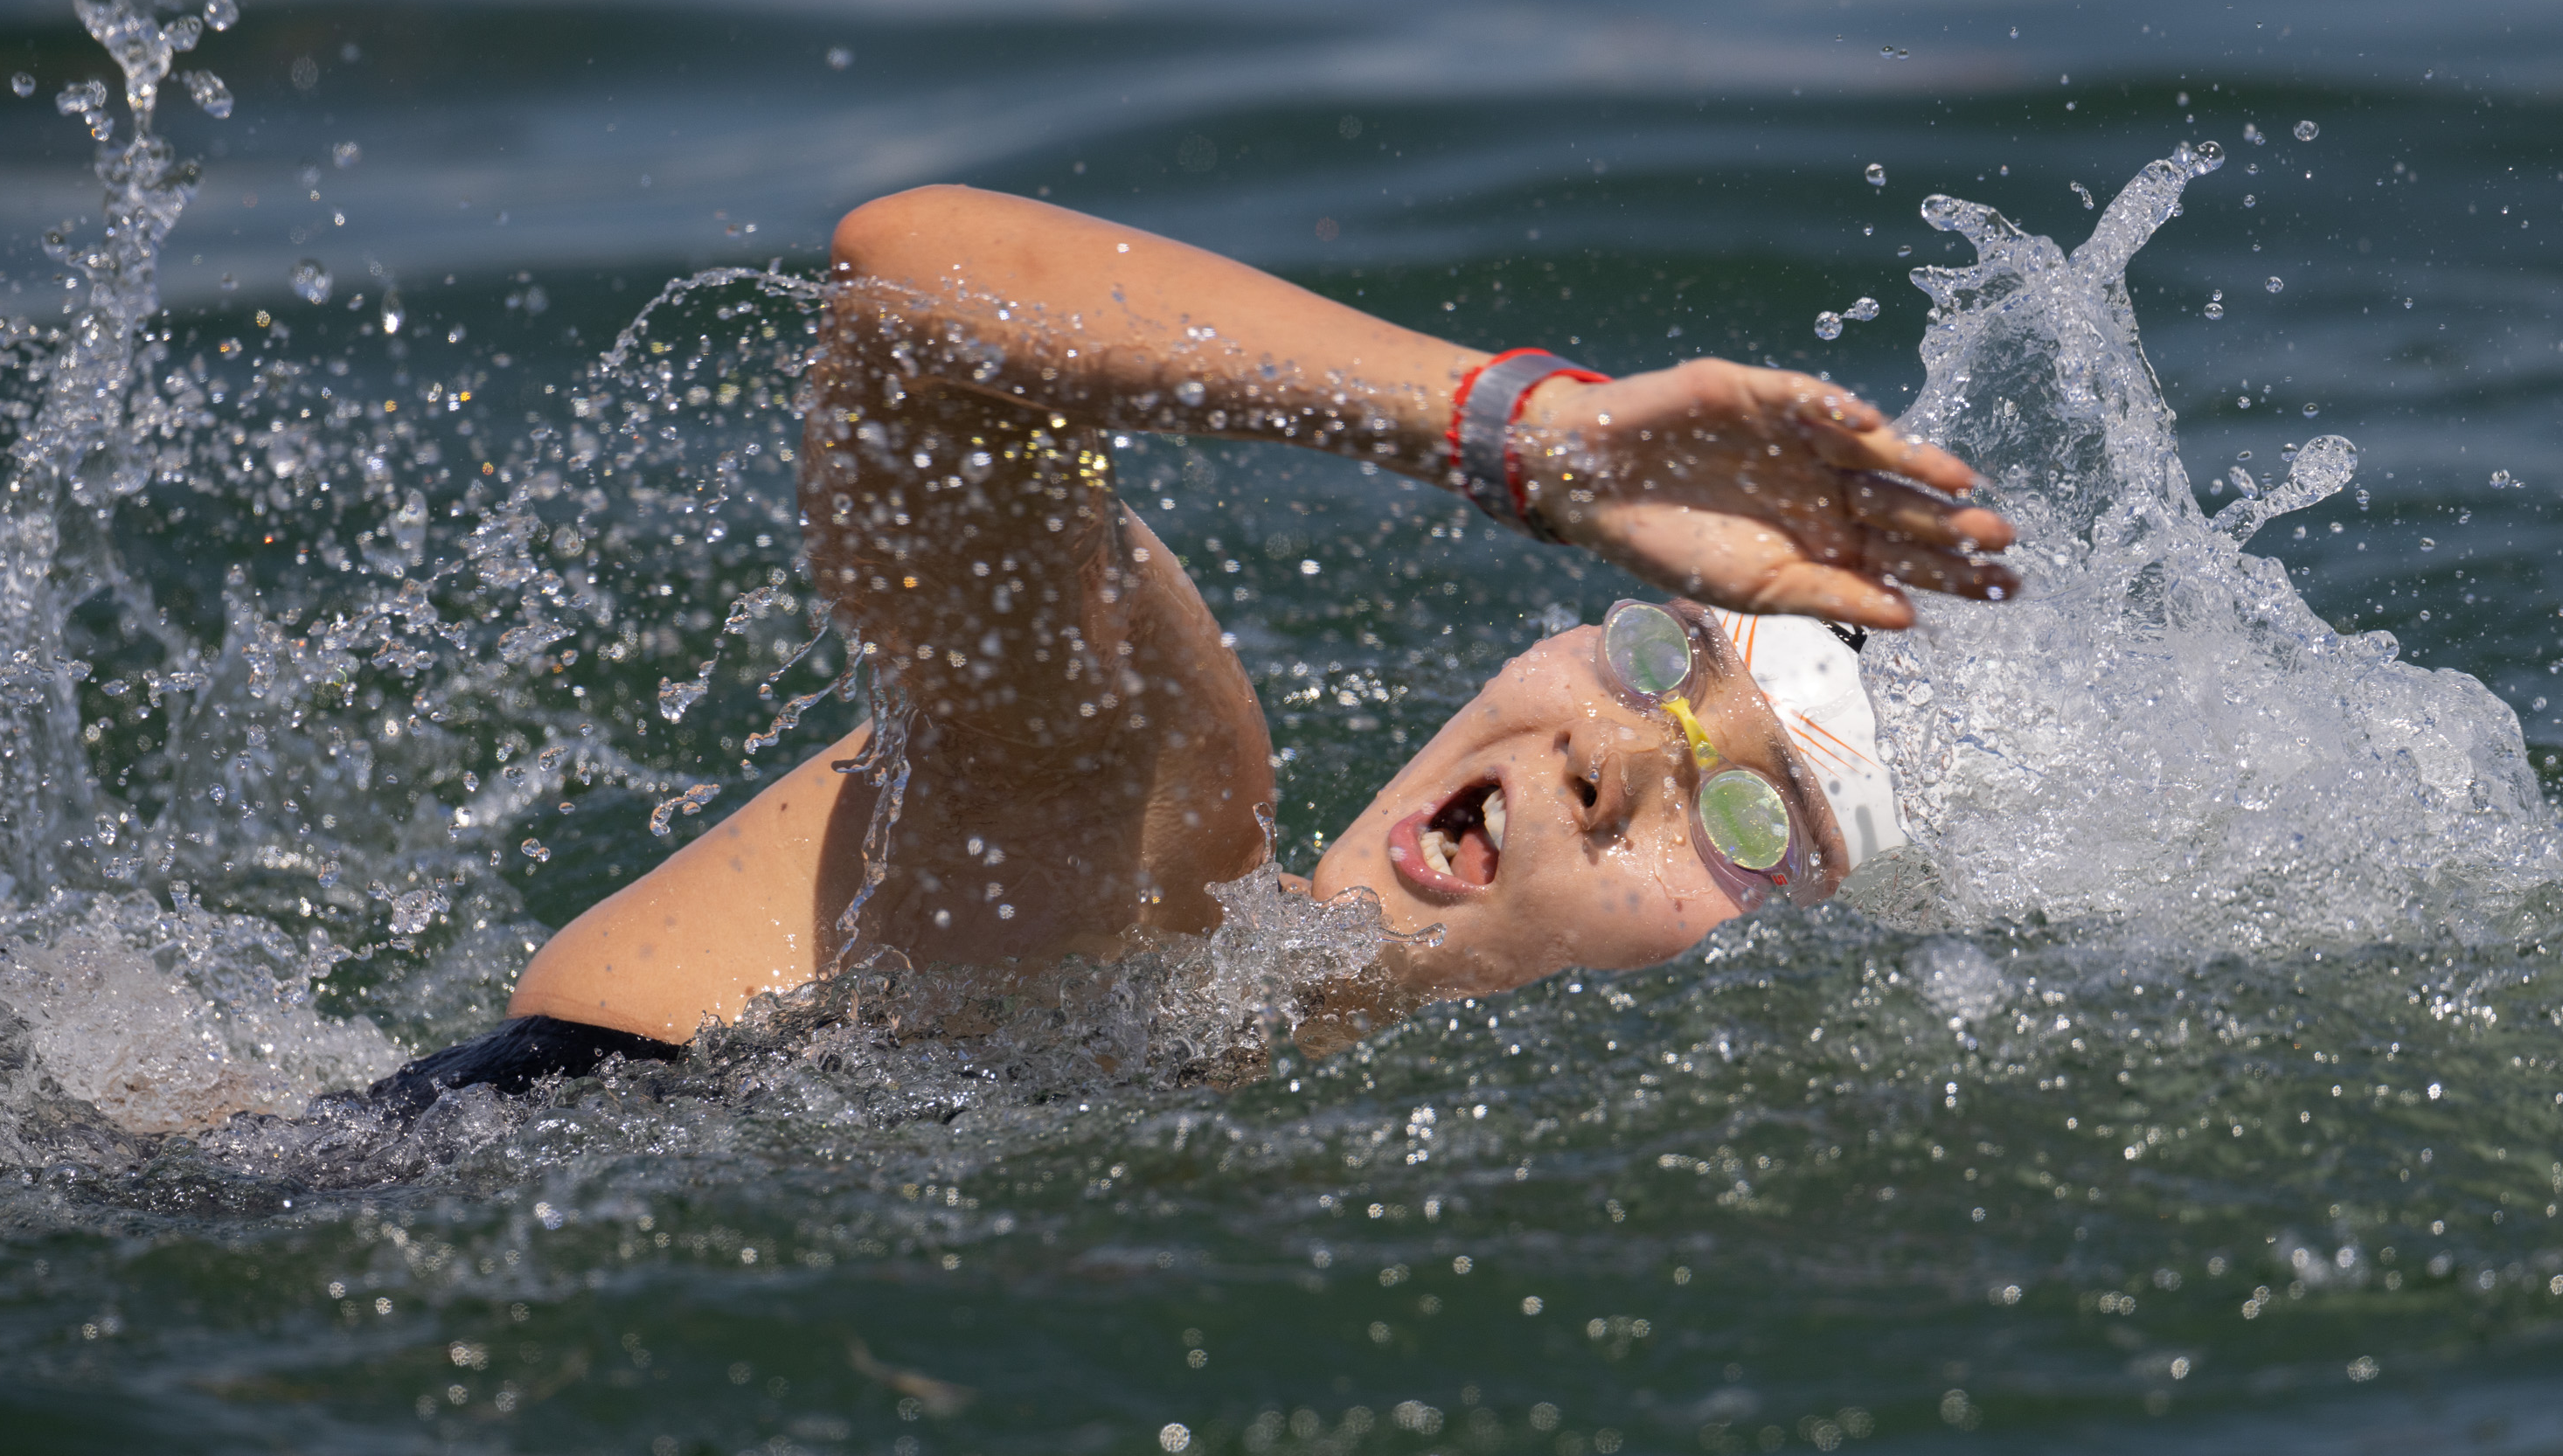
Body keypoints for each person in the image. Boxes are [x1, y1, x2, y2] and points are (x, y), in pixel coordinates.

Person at [365, 186, 2016, 1110]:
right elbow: (911, 298)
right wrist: (1525, 436)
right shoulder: (1152, 830)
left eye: (1743, 821)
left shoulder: (1247, 1122)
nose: (1615, 761)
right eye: (1659, 664)